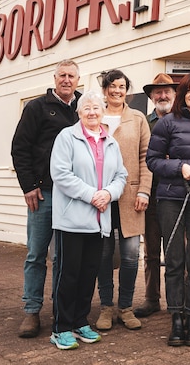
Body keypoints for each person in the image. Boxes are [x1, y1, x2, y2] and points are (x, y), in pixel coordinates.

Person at [48, 90, 128, 350]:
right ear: (79, 113)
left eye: (96, 108)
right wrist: (92, 195)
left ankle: (81, 321)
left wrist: (108, 193)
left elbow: (121, 176)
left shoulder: (110, 142)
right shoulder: (67, 137)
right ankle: (61, 327)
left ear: (102, 111)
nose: (92, 113)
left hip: (99, 221)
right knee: (68, 274)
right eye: (87, 109)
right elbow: (60, 174)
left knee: (88, 274)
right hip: (72, 220)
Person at [11, 59, 82, 338]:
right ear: (54, 78)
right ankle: (31, 310)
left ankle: (61, 310)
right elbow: (20, 149)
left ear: (78, 80)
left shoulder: (83, 109)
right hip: (44, 193)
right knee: (36, 254)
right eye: (62, 75)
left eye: (71, 76)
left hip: (73, 196)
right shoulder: (37, 108)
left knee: (65, 257)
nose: (67, 80)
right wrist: (28, 185)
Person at [146, 74, 190, 347]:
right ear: (182, 95)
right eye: (189, 90)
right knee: (173, 260)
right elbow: (152, 160)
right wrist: (178, 167)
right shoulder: (166, 123)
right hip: (171, 198)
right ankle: (176, 318)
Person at [95, 69, 152, 332]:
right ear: (105, 89)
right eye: (112, 86)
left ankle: (126, 307)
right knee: (104, 254)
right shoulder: (94, 115)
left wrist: (144, 191)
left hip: (131, 196)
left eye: (122, 86)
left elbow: (146, 157)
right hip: (102, 197)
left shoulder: (137, 118)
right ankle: (106, 307)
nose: (117, 91)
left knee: (130, 255)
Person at [134, 73, 178, 318]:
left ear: (174, 95)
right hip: (149, 196)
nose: (162, 96)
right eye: (158, 92)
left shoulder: (182, 121)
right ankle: (152, 299)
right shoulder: (144, 123)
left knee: (175, 251)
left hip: (175, 195)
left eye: (167, 92)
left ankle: (176, 299)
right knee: (151, 251)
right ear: (151, 96)